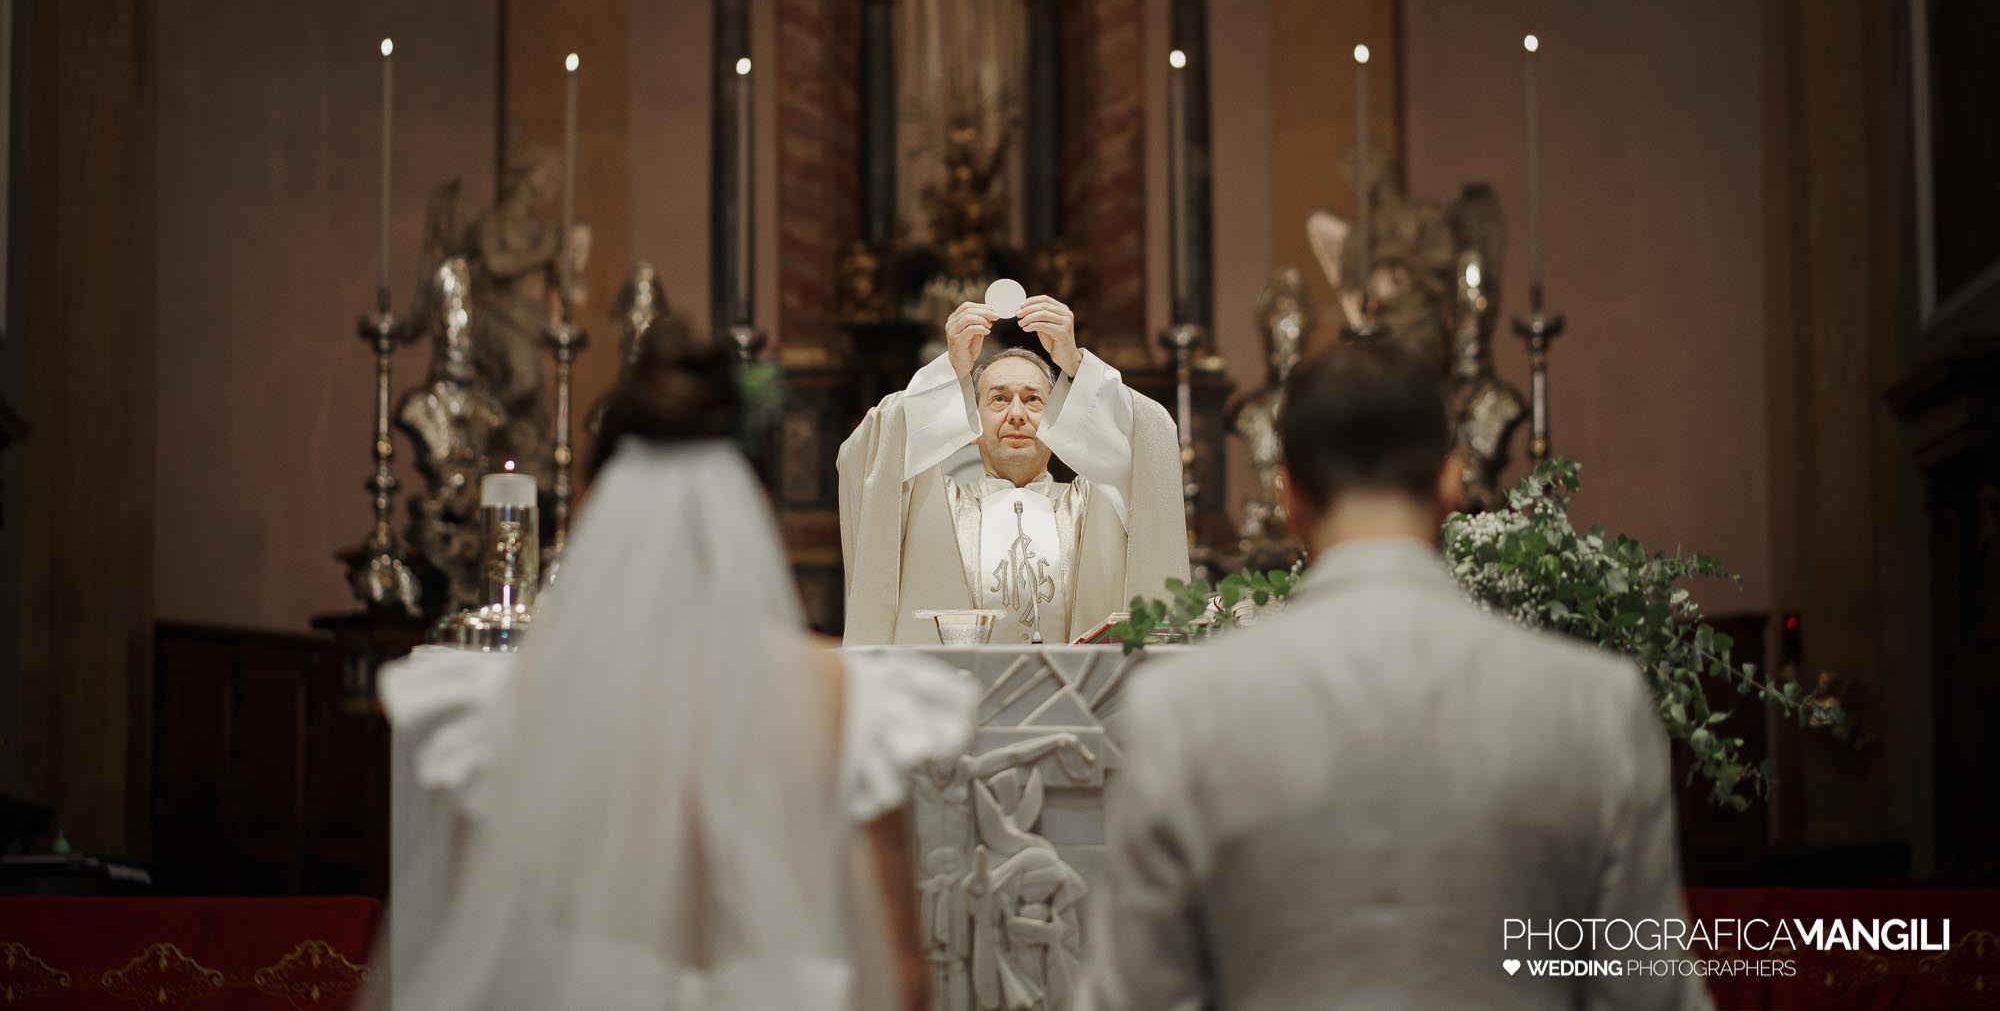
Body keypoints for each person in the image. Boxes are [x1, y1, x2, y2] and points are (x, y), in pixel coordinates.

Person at [1081, 341, 1709, 1011]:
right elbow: (1649, 997)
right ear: (1452, 480)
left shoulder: (1181, 711)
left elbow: (1136, 998)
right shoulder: (1595, 705)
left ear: (1287, 494)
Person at [378, 322, 973, 1011]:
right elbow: (903, 979)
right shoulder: (845, 694)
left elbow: (477, 951)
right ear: (757, 507)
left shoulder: (520, 695)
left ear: (594, 502)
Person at [839, 295, 1188, 645]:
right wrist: (950, 371)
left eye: (1034, 399)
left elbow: (1150, 438)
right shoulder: (931, 505)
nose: (1017, 414)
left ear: (1060, 421)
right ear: (972, 424)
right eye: (999, 399)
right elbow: (868, 454)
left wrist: (1075, 362)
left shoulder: (1095, 507)